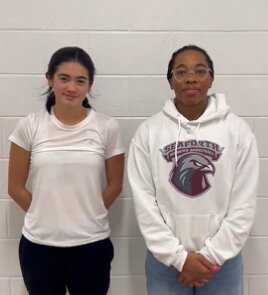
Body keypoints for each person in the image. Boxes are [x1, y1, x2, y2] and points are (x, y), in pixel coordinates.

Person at [127, 44, 258, 295]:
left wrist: (211, 256)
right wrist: (179, 259)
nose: (190, 78)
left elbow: (244, 204)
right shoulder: (148, 133)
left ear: (211, 79)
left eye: (200, 71)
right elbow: (145, 204)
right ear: (170, 81)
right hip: (164, 262)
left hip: (222, 262)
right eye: (180, 72)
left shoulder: (238, 132)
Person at [8, 46, 125, 295]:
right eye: (64, 78)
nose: (71, 88)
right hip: (39, 246)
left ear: (89, 86)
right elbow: (15, 187)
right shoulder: (29, 126)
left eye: (80, 80)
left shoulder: (107, 127)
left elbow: (115, 185)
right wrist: (45, 214)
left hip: (91, 245)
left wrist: (88, 214)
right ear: (49, 79)